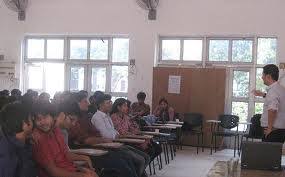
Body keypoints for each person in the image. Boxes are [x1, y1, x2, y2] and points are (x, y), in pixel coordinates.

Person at [68, 92, 141, 177]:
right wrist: (104, 139)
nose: (88, 103)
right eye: (85, 101)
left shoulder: (88, 117)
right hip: (92, 148)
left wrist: (111, 137)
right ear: (77, 103)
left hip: (102, 144)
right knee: (123, 163)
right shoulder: (77, 121)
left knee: (129, 159)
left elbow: (108, 132)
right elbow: (88, 139)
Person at [32, 102, 98, 177]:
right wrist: (82, 175)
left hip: (69, 170)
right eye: (38, 119)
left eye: (45, 117)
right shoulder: (39, 139)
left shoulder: (56, 131)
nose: (42, 122)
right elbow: (53, 172)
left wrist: (81, 167)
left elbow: (65, 155)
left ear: (53, 117)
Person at [91, 94, 150, 177]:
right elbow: (106, 134)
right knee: (139, 160)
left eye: (111, 102)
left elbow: (114, 131)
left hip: (117, 143)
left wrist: (117, 135)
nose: (111, 104)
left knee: (145, 157)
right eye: (108, 102)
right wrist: (117, 135)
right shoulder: (97, 117)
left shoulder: (107, 116)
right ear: (101, 104)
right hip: (109, 147)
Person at [0, 102, 37, 177]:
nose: (33, 120)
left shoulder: (17, 140)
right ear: (24, 124)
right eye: (30, 118)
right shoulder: (7, 159)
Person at [253, 64, 285, 143]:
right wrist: (263, 94)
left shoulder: (273, 91)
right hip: (280, 131)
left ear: (268, 76)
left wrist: (270, 128)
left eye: (263, 75)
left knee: (268, 155)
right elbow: (277, 100)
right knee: (275, 154)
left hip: (272, 132)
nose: (262, 77)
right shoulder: (280, 88)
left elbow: (272, 109)